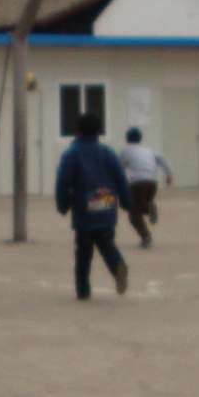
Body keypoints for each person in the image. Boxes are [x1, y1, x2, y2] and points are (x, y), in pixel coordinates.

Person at [56, 112, 132, 299]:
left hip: (84, 208)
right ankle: (117, 265)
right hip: (107, 205)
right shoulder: (108, 153)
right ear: (99, 131)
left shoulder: (72, 154)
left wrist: (63, 204)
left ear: (77, 130)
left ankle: (83, 290)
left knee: (83, 252)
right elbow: (121, 179)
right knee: (106, 243)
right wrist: (126, 201)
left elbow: (63, 182)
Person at [119, 127, 174, 248]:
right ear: (140, 139)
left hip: (137, 183)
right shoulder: (149, 150)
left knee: (133, 213)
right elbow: (162, 160)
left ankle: (146, 236)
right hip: (152, 183)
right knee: (140, 205)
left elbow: (119, 168)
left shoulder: (125, 151)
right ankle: (149, 206)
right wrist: (169, 175)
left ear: (127, 139)